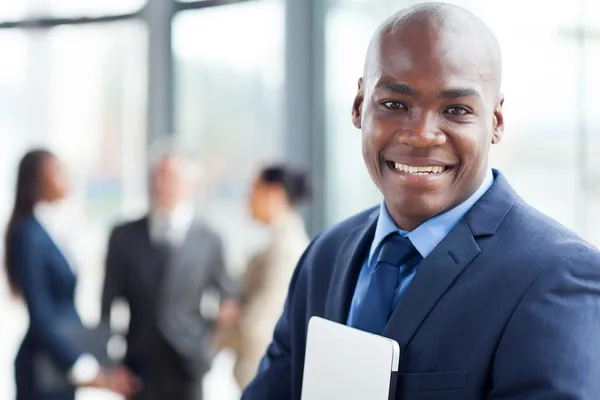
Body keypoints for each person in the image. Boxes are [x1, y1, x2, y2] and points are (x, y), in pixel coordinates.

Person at [242, 3, 600, 399]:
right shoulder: (325, 256)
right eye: (395, 104)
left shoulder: (558, 276)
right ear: (360, 105)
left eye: (456, 110)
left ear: (495, 122)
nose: (422, 135)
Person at [101, 150, 238, 400]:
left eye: (172, 177)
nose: (162, 184)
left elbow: (228, 299)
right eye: (158, 176)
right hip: (139, 366)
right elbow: (107, 305)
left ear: (191, 185)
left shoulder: (210, 239)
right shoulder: (123, 236)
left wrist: (208, 349)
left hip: (189, 365)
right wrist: (110, 364)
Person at [4, 149, 137, 400]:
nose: (65, 178)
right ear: (36, 180)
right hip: (44, 362)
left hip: (59, 359)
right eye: (56, 172)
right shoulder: (29, 235)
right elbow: (41, 314)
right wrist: (80, 363)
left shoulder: (53, 228)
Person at [215, 165, 311, 389]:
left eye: (253, 190)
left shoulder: (285, 248)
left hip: (263, 374)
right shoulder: (276, 243)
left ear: (274, 193)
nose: (247, 199)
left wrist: (223, 325)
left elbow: (256, 326)